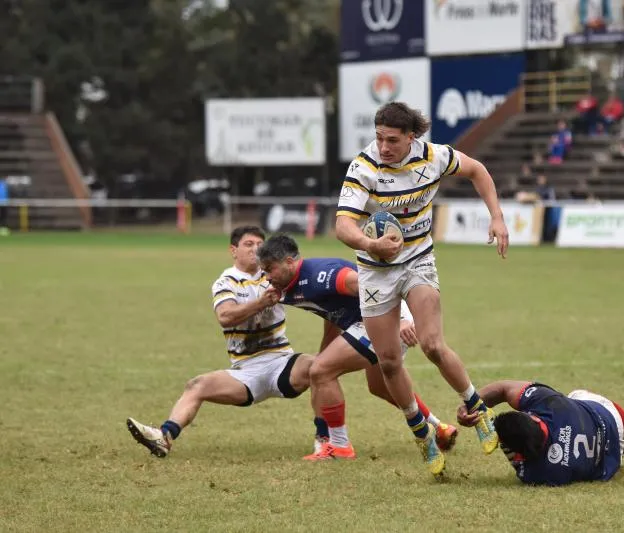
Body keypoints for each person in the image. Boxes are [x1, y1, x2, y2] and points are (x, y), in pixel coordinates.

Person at [335, 101, 509, 477]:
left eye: (392, 140)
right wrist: (370, 245)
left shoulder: (435, 156)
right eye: (379, 138)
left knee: (432, 343)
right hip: (376, 272)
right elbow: (343, 226)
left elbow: (477, 170)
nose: (383, 147)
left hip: (418, 260)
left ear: (412, 137)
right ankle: (421, 432)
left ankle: (478, 411)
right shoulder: (363, 166)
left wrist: (497, 217)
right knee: (389, 362)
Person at [257, 234, 459, 460]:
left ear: (289, 262)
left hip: (385, 319)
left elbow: (372, 286)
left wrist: (401, 319)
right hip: (367, 322)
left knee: (320, 370)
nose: (267, 277)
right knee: (379, 386)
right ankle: (438, 427)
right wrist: (326, 349)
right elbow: (329, 309)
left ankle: (340, 446)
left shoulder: (320, 275)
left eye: (269, 269)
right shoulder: (283, 289)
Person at [126, 226, 313, 457]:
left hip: (281, 362)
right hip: (245, 372)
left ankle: (329, 441)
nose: (255, 249)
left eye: (259, 244)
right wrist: (261, 303)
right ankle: (163, 437)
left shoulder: (275, 275)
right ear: (233, 250)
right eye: (248, 244)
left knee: (320, 368)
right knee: (197, 386)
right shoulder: (226, 282)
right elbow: (225, 317)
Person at [457, 380, 624, 486]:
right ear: (533, 418)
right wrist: (473, 403)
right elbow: (503, 388)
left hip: (610, 463)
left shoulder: (539, 474)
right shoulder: (550, 403)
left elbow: (516, 452)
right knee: (578, 396)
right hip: (609, 423)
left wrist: (472, 405)